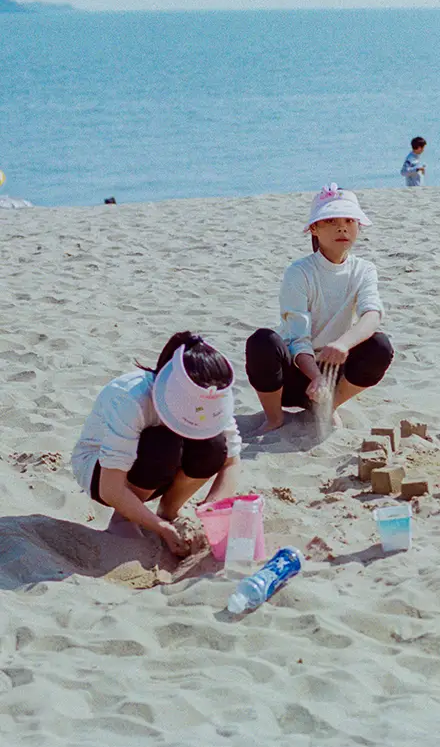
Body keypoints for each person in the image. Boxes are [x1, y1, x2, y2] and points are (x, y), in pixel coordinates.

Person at [71, 332, 241, 556]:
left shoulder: (209, 400)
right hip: (101, 471)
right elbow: (110, 488)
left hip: (161, 467)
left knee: (214, 446)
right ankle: (124, 519)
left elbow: (231, 462)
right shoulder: (130, 398)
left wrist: (211, 510)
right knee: (163, 444)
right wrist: (160, 530)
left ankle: (168, 510)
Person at [245, 183, 394, 433]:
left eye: (349, 220)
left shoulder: (364, 269)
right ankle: (274, 417)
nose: (342, 227)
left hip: (335, 370)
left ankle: (326, 408)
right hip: (294, 371)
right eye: (331, 220)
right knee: (263, 341)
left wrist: (343, 344)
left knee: (380, 346)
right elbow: (296, 337)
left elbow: (372, 314)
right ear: (314, 228)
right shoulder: (299, 272)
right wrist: (316, 377)